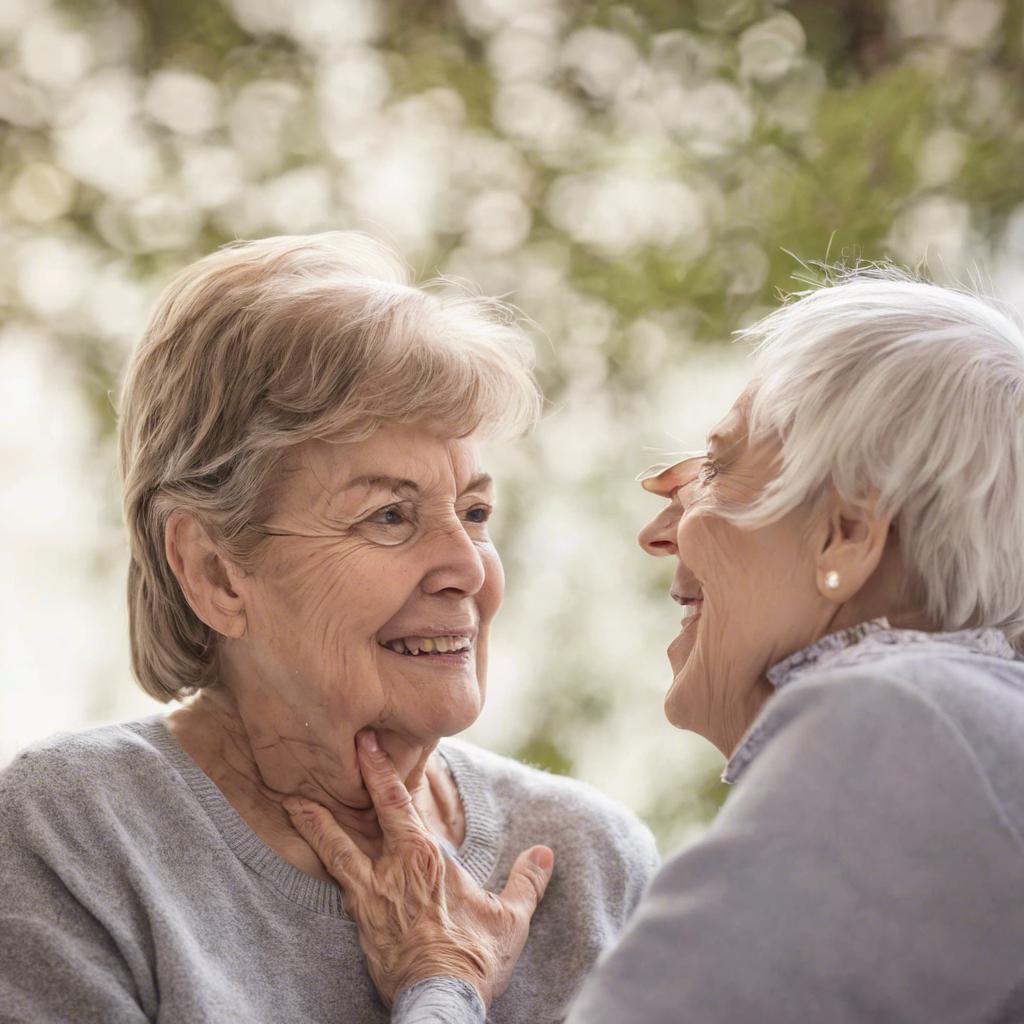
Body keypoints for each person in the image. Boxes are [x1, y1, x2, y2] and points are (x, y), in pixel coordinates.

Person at [285, 269, 1024, 1023]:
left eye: (719, 468)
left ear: (850, 535)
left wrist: (440, 980)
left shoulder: (895, 723)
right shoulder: (964, 728)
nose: (659, 531)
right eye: (386, 516)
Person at [0, 233, 660, 1023]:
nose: (467, 567)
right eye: (390, 515)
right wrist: (440, 986)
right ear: (214, 572)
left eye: (476, 512)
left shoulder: (589, 860)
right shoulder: (77, 834)